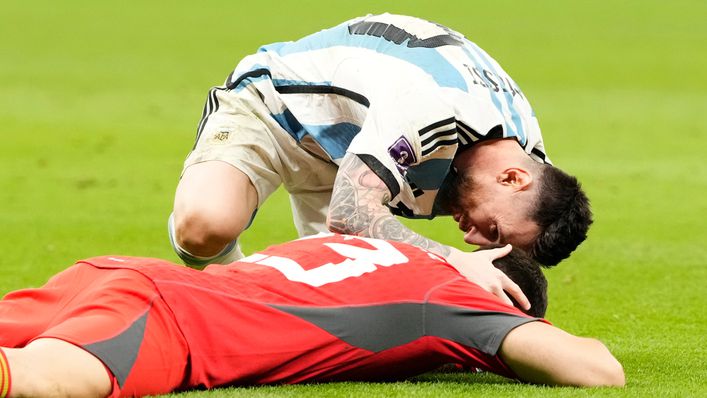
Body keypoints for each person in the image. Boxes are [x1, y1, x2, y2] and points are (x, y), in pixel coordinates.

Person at [168, 13, 593, 304]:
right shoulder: (430, 108)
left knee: (342, 306)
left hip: (364, 153)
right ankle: (231, 285)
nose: (474, 241)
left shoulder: (528, 160)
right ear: (513, 179)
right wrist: (452, 262)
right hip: (277, 107)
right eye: (493, 230)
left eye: (490, 243)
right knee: (205, 227)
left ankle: (254, 305)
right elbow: (350, 212)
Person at [0, 234, 623, 397]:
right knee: (46, 381)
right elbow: (597, 372)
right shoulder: (456, 300)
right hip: (171, 320)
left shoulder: (383, 247)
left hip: (110, 275)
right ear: (500, 298)